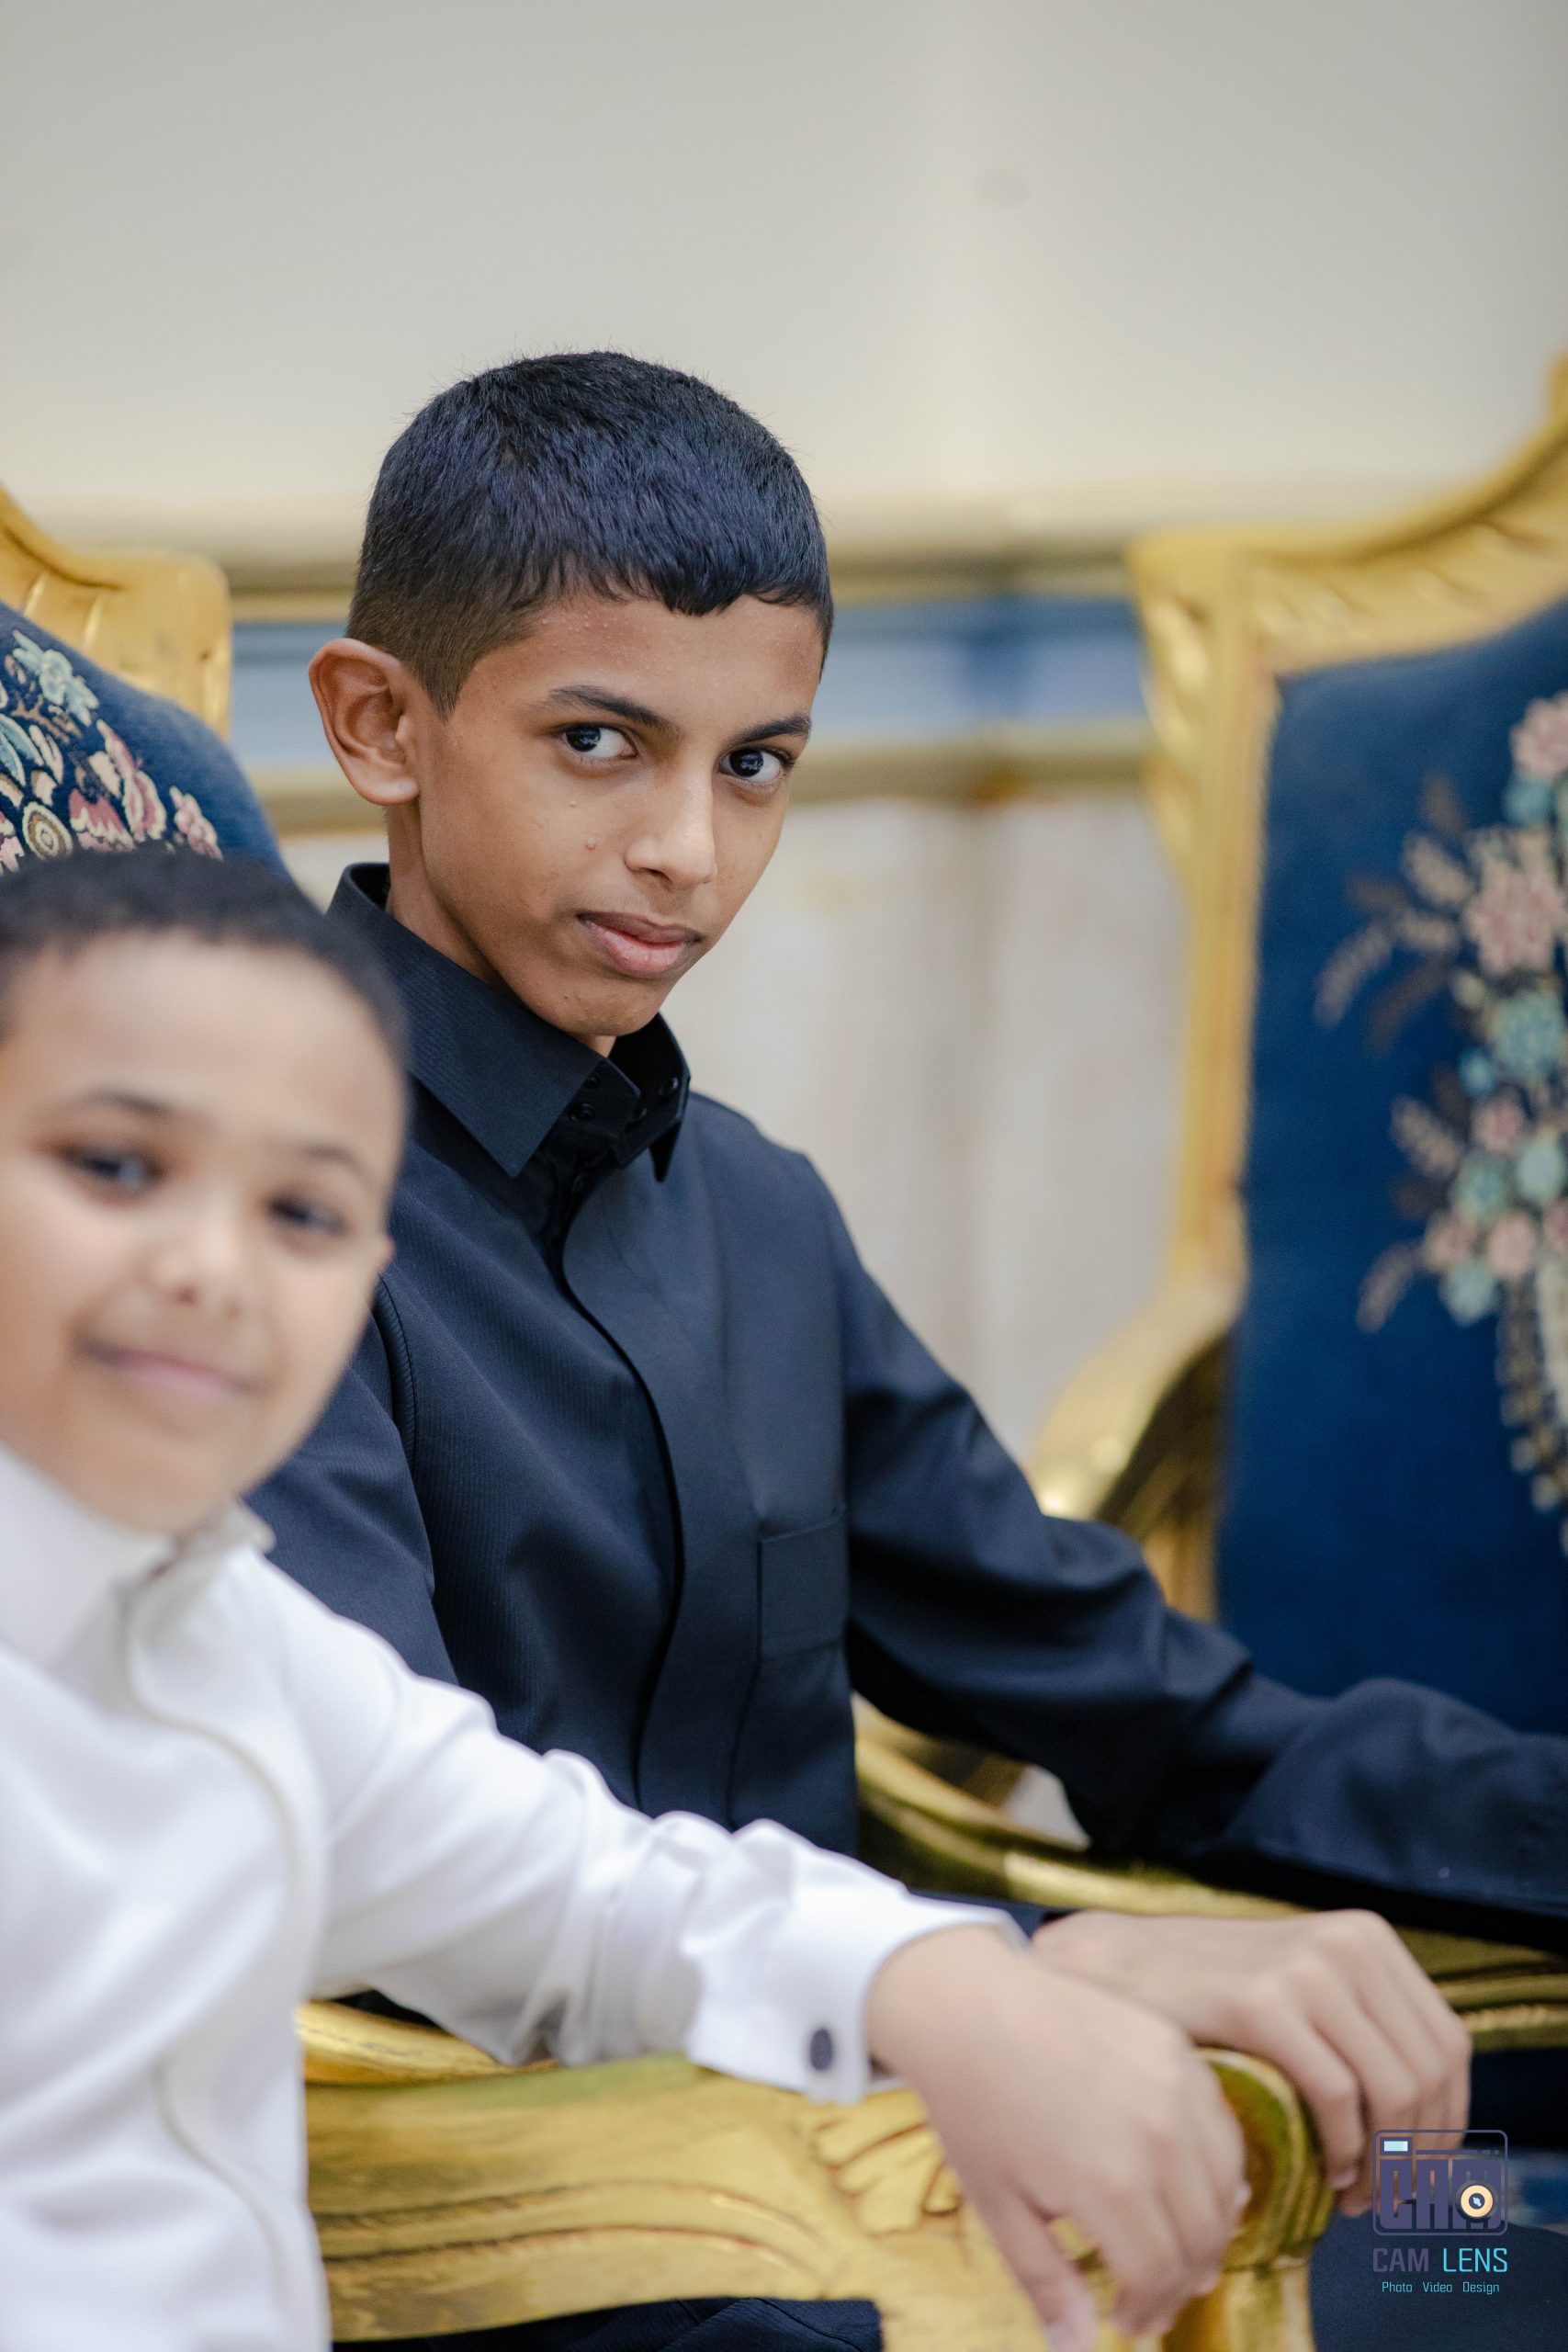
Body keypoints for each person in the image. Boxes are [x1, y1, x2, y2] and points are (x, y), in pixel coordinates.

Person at [252, 354, 1551, 2352]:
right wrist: (1020, 1966)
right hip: (507, 2229)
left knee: (1475, 2244)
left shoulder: (759, 1216)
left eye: (757, 764)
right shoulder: (236, 1220)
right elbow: (411, 1879)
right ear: (378, 724)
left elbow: (1160, 1714)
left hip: (894, 2132)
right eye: (600, 742)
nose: (689, 851)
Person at [0, 848, 1263, 2352]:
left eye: (304, 1213)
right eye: (116, 1168)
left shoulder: (230, 1640)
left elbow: (591, 1898)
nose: (216, 1268)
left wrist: (950, 1981)